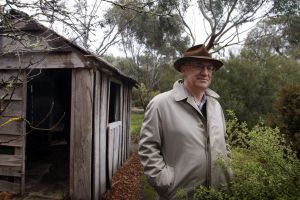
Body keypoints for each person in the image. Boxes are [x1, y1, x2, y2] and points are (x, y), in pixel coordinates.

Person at [138, 44, 232, 199]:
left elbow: (224, 141)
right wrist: (165, 183)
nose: (205, 72)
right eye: (198, 66)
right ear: (183, 69)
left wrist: (226, 167)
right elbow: (148, 148)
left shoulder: (216, 106)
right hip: (178, 194)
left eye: (209, 68)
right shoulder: (160, 104)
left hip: (218, 194)